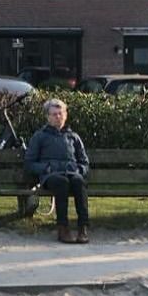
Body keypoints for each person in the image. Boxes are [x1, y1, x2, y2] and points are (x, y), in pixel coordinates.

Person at [24, 97, 90, 243]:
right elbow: (29, 163)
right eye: (54, 114)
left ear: (65, 115)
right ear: (48, 117)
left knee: (79, 182)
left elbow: (84, 162)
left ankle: (83, 228)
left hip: (72, 173)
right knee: (62, 183)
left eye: (61, 113)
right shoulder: (40, 136)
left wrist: (79, 170)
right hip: (51, 176)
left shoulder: (73, 137)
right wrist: (46, 168)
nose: (58, 117)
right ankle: (63, 229)